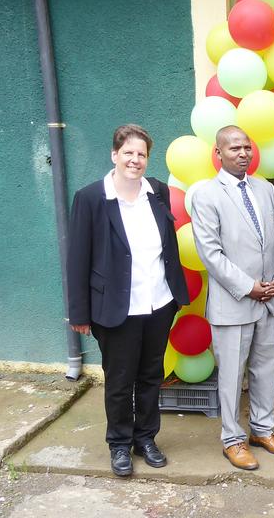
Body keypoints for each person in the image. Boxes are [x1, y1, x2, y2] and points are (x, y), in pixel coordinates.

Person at [67, 124, 190, 477]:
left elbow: (168, 247)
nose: (135, 160)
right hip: (115, 308)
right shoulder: (91, 198)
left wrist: (175, 294)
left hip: (159, 303)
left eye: (142, 154)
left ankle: (146, 439)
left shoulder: (159, 192)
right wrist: (79, 312)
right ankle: (119, 444)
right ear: (114, 155)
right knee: (120, 380)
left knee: (152, 375)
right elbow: (78, 258)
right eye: (129, 153)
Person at [190, 125, 274, 471]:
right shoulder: (206, 195)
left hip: (269, 299)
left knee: (266, 369)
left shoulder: (265, 189)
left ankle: (263, 430)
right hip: (234, 302)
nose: (243, 153)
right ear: (218, 154)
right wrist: (249, 286)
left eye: (246, 147)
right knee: (232, 376)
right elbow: (210, 253)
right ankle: (232, 440)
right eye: (234, 148)